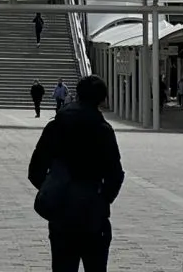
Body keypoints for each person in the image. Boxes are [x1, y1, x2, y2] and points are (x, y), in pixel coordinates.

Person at [27, 75, 124, 272]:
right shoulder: (103, 130)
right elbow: (116, 173)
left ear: (77, 94)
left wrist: (52, 188)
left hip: (62, 212)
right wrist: (103, 198)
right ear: (102, 99)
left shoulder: (57, 125)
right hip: (94, 213)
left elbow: (35, 169)